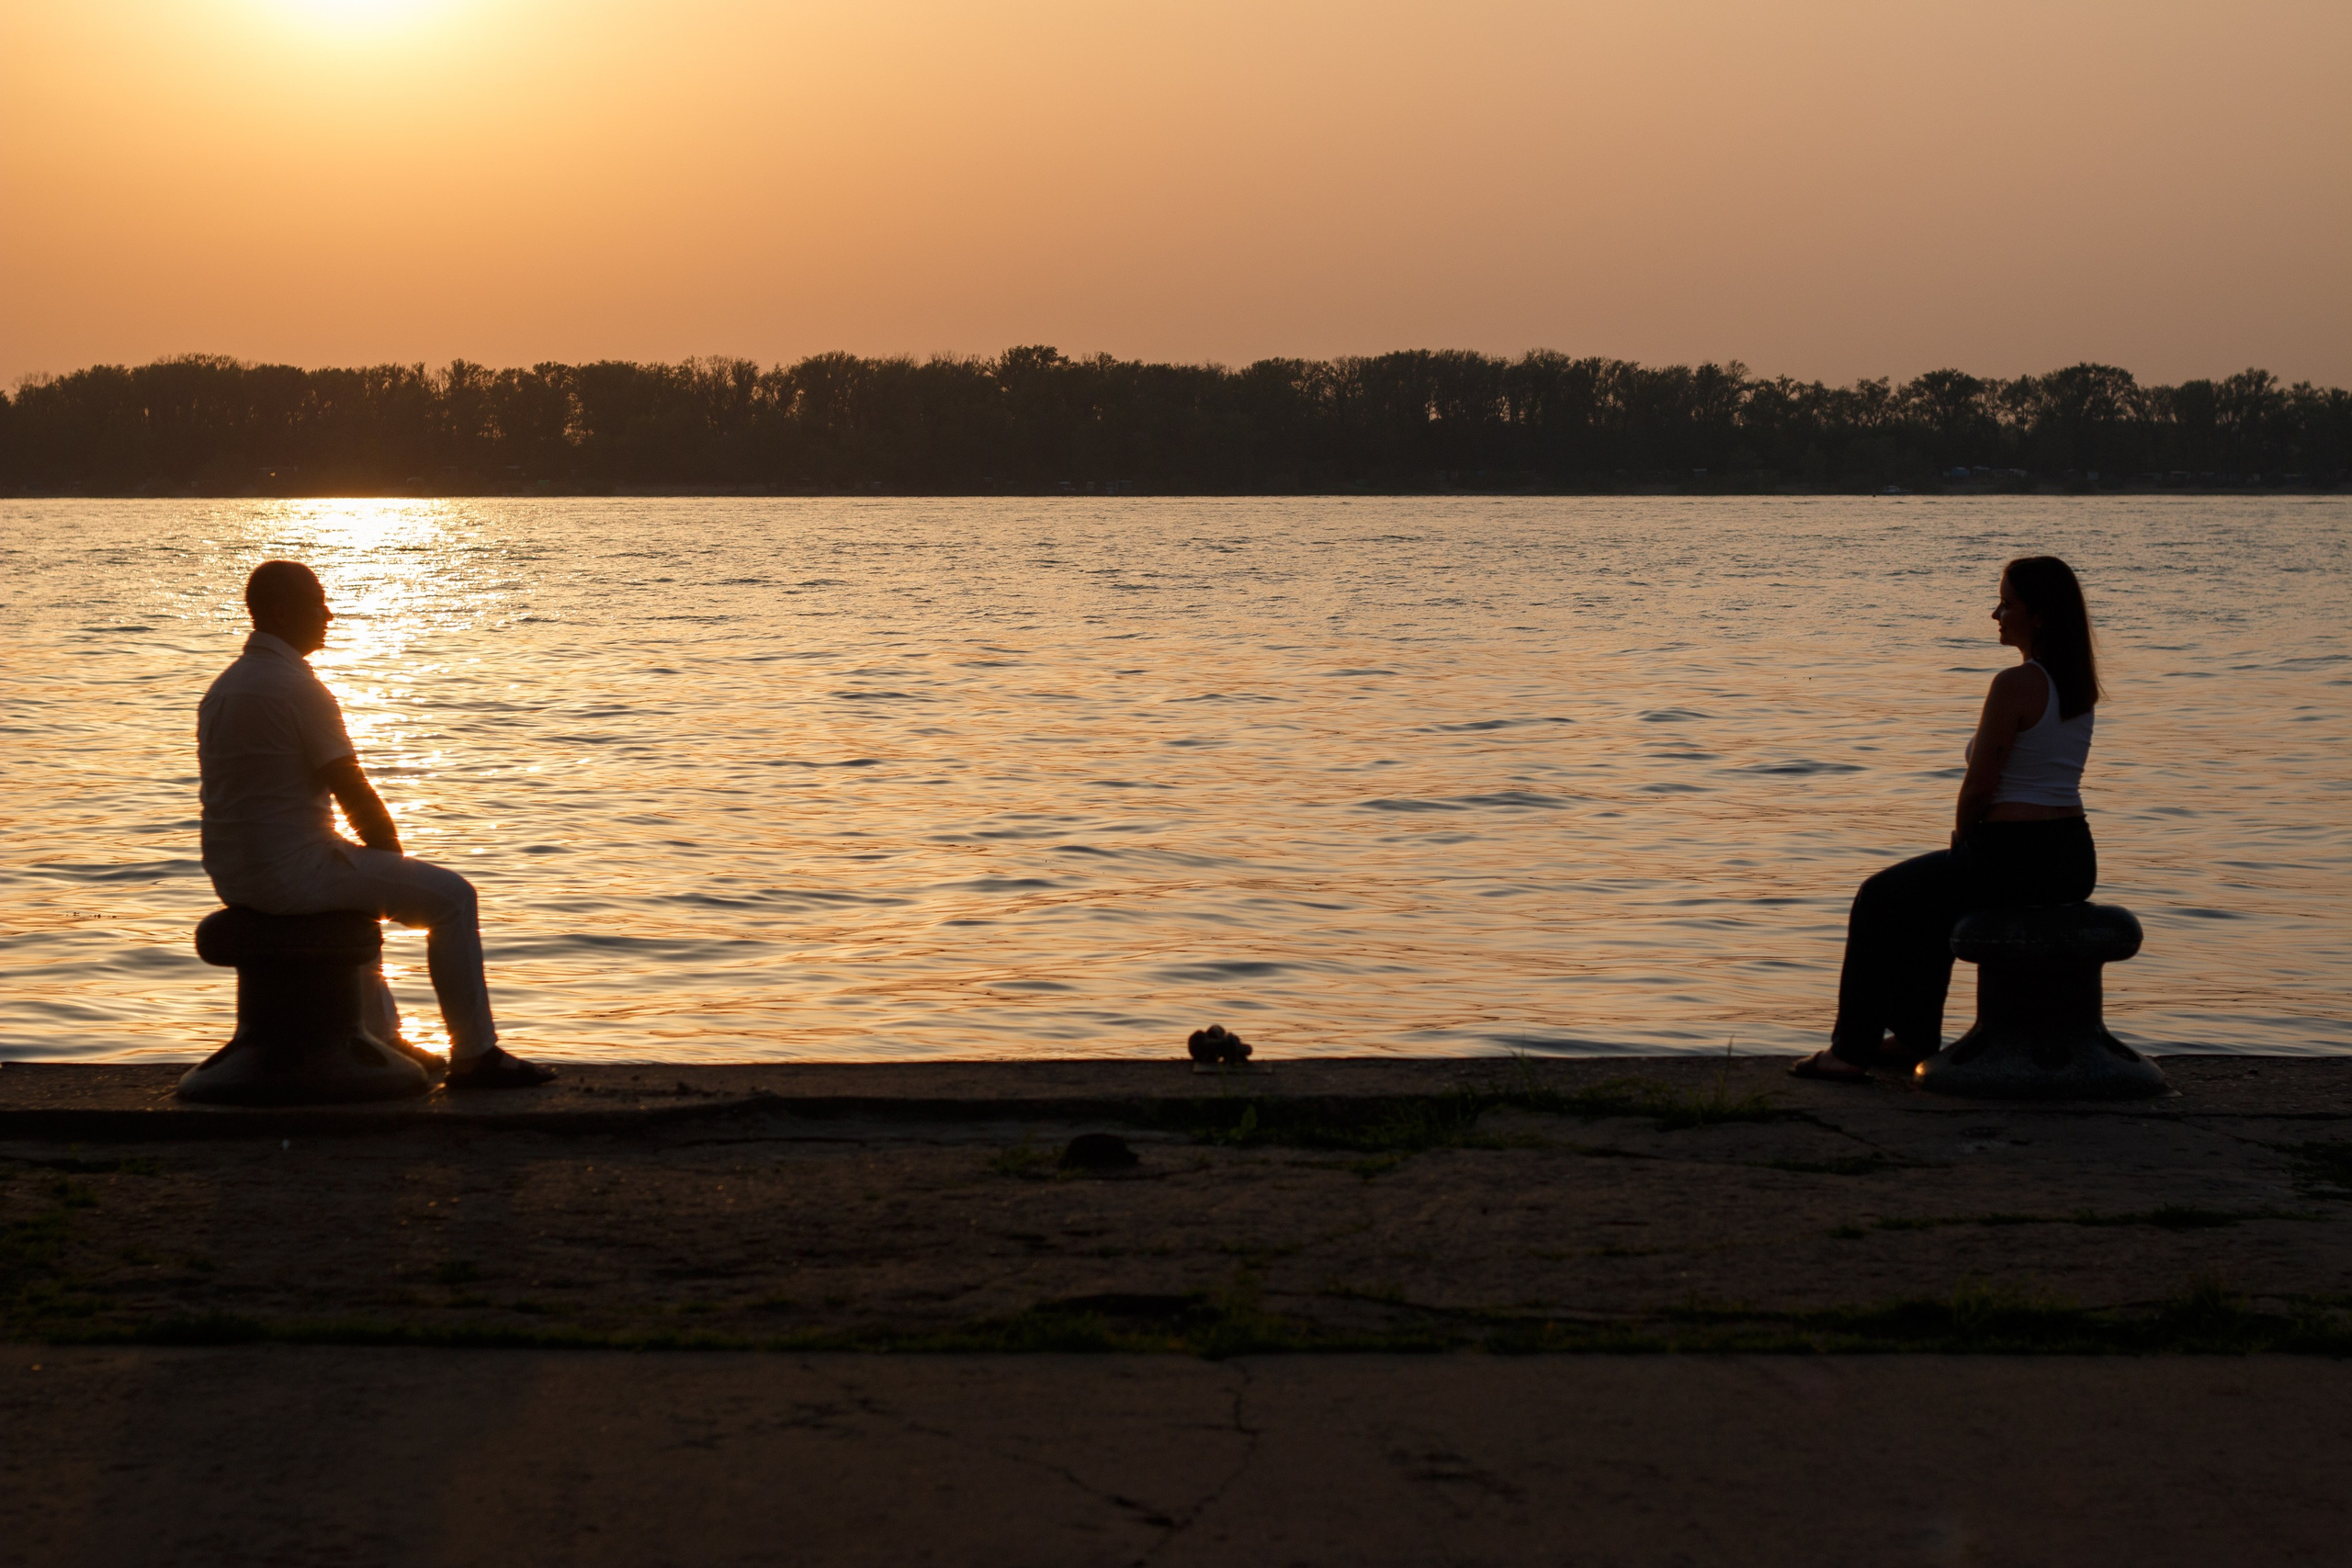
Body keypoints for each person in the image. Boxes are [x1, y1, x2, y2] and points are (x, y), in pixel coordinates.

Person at [197, 559, 554, 1089]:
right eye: (317, 602)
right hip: (293, 873)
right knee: (453, 898)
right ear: (279, 611)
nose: (329, 614)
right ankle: (476, 1053)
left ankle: (382, 1036)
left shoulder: (224, 689)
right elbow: (351, 786)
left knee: (358, 890)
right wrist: (391, 859)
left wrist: (376, 871)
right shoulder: (298, 689)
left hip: (235, 872)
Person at [1792, 556, 2103, 1082]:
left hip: (2013, 853)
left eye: (2007, 602)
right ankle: (1913, 1038)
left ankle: (1850, 1050)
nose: (1995, 613)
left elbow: (1980, 786)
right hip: (2072, 855)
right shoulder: (2076, 685)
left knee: (1878, 898)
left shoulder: (2016, 683)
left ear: (2040, 616)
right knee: (1931, 903)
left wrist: (1964, 838)